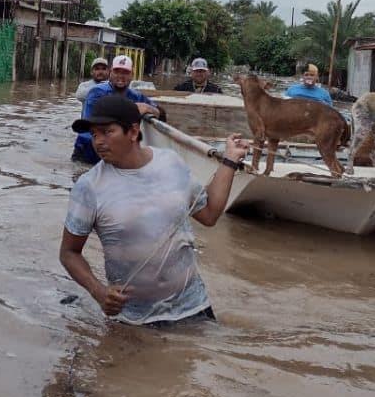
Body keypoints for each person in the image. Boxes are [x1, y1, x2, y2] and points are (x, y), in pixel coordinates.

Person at [59, 94, 251, 326]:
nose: (98, 141)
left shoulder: (170, 162)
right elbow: (69, 253)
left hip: (193, 308)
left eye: (107, 132)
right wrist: (98, 292)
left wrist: (230, 160)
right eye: (94, 134)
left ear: (132, 131)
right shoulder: (88, 187)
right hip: (132, 320)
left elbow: (209, 214)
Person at [72, 55, 160, 164]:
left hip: (115, 150)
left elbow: (159, 112)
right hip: (88, 147)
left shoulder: (136, 96)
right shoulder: (97, 92)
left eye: (125, 72)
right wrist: (133, 108)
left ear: (132, 75)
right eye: (117, 72)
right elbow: (104, 119)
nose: (121, 76)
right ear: (110, 73)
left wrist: (149, 108)